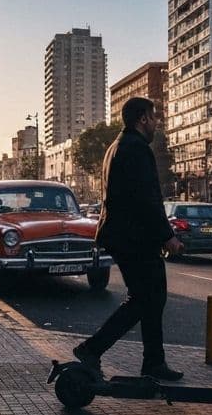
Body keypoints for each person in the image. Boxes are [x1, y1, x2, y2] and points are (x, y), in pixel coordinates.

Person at [72, 98, 185, 382]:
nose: (157, 123)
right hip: (133, 237)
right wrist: (166, 236)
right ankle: (92, 348)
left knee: (152, 297)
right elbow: (146, 198)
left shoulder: (116, 147)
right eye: (154, 117)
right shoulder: (136, 148)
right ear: (142, 119)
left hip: (124, 236)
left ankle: (153, 362)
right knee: (145, 298)